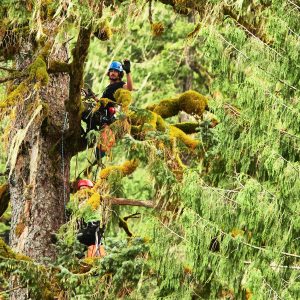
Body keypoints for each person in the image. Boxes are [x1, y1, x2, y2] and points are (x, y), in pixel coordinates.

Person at [76, 179, 106, 258]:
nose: (82, 191)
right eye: (81, 189)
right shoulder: (80, 201)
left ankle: (101, 259)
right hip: (87, 225)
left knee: (97, 243)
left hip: (96, 224)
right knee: (84, 240)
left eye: (84, 188)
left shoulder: (94, 197)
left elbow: (92, 207)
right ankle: (88, 261)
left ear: (89, 188)